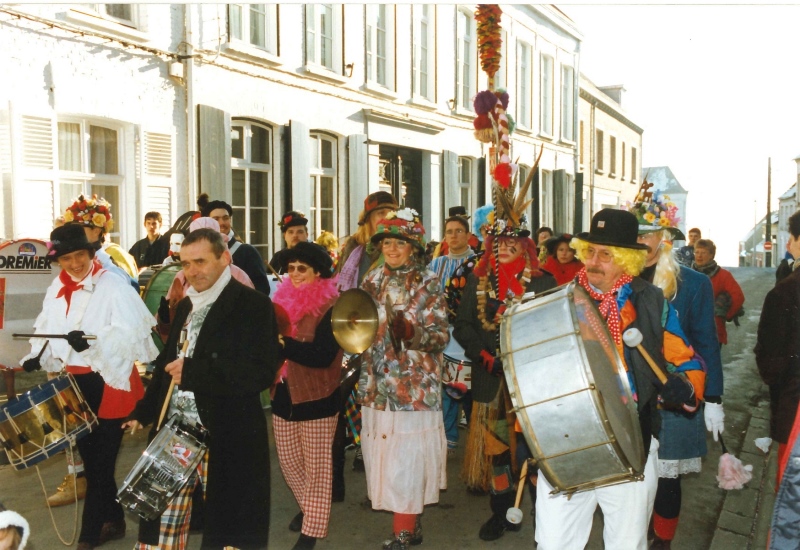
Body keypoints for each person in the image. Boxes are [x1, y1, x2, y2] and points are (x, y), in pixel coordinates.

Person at [532, 209, 705, 550]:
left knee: (627, 542)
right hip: (566, 442)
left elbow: (686, 358)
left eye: (606, 255)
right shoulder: (556, 302)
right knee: (554, 542)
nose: (594, 262)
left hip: (632, 441)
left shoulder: (653, 304)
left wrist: (684, 386)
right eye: (590, 251)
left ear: (626, 260)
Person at [123, 227, 280, 549]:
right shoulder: (185, 305)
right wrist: (145, 410)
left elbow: (260, 372)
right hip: (175, 432)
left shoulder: (253, 305)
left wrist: (196, 372)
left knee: (230, 533)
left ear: (224, 258)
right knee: (159, 524)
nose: (192, 272)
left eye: (200, 262)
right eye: (185, 264)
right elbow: (168, 366)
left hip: (228, 433)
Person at [20, 223, 158, 550]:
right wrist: (35, 356)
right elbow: (47, 329)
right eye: (66, 258)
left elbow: (131, 337)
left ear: (90, 252)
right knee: (93, 460)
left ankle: (88, 534)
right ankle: (115, 520)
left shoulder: (113, 285)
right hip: (77, 385)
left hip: (111, 380)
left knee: (99, 465)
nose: (74, 263)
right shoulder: (58, 286)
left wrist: (92, 345)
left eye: (79, 255)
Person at [454, 200, 557, 541]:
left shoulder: (543, 283)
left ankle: (546, 521)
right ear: (491, 246)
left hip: (532, 386)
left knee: (535, 456)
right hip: (490, 383)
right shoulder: (478, 279)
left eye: (515, 240)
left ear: (526, 244)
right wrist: (485, 356)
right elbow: (464, 326)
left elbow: (555, 332)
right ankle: (501, 513)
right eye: (500, 241)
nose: (508, 245)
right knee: (497, 452)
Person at [630, 190, 723, 547]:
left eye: (647, 234)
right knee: (633, 476)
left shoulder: (694, 283)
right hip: (632, 395)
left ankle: (662, 541)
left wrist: (713, 396)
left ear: (665, 238)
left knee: (668, 480)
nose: (640, 242)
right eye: (634, 235)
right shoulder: (618, 281)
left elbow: (706, 341)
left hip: (675, 394)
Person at [358, 208, 449, 549]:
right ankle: (410, 520)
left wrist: (412, 332)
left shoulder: (428, 281)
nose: (392, 249)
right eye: (387, 243)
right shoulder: (372, 279)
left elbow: (440, 337)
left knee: (406, 460)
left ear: (415, 247)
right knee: (386, 456)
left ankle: (404, 532)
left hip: (414, 388)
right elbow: (357, 324)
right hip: (378, 384)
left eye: (400, 243)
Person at [271, 242, 342, 550]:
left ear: (317, 272)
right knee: (288, 462)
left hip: (318, 397)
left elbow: (324, 356)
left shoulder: (331, 308)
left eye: (302, 268)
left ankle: (310, 533)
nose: (295, 273)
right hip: (283, 396)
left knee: (318, 470)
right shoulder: (279, 302)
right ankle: (312, 510)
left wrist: (285, 345)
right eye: (291, 268)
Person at [333, 191, 397, 488]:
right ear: (368, 219)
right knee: (352, 389)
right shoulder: (354, 247)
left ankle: (374, 448)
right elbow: (338, 283)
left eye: (390, 213)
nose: (385, 219)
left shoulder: (396, 246)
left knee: (378, 390)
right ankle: (359, 443)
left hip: (384, 328)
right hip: (353, 323)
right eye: (380, 214)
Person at [755, 210, 800, 488]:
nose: (788, 245)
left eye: (792, 239)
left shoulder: (786, 292)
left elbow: (770, 362)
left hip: (795, 414)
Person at [428, 209, 475, 455]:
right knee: (445, 386)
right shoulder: (437, 264)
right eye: (449, 232)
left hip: (467, 334)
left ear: (468, 235)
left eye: (459, 231)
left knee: (465, 385)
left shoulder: (477, 262)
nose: (454, 236)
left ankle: (476, 437)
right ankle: (448, 435)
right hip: (442, 332)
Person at [197, 193, 270, 295]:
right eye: (216, 219)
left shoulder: (247, 252)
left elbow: (262, 289)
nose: (222, 223)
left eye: (226, 218)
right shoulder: (197, 253)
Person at [64, 194, 138, 290]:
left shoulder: (111, 270)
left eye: (78, 229)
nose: (73, 234)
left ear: (96, 231)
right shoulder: (74, 266)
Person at [692, 239, 745, 347]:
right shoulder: (688, 274)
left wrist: (726, 315)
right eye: (697, 252)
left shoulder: (723, 275)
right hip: (690, 329)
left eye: (703, 253)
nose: (699, 256)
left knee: (710, 363)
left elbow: (738, 296)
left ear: (712, 255)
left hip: (713, 330)